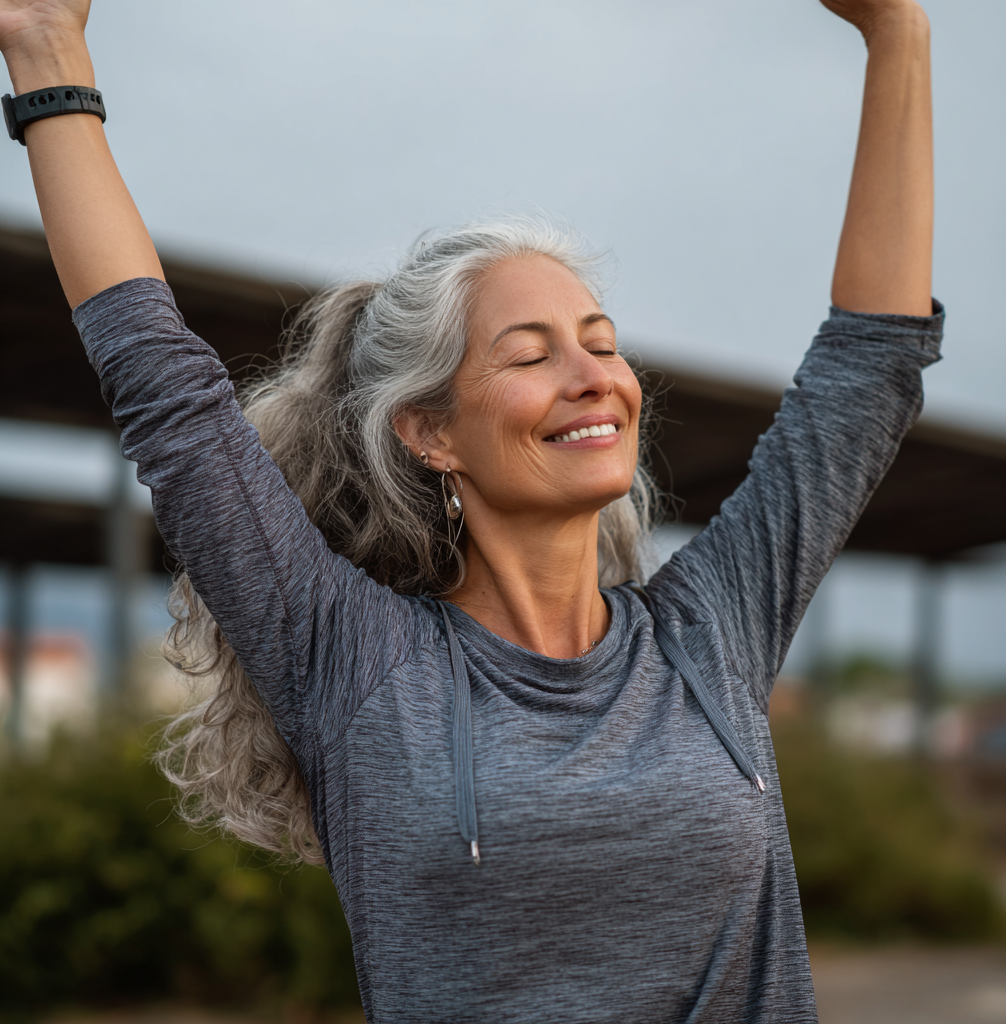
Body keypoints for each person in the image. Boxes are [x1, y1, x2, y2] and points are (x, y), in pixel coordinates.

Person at [0, 0, 938, 1020]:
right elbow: (166, 393)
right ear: (429, 432)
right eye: (531, 356)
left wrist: (897, 32)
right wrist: (47, 46)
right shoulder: (357, 666)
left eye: (601, 340)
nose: (593, 377)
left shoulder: (710, 635)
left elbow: (866, 371)